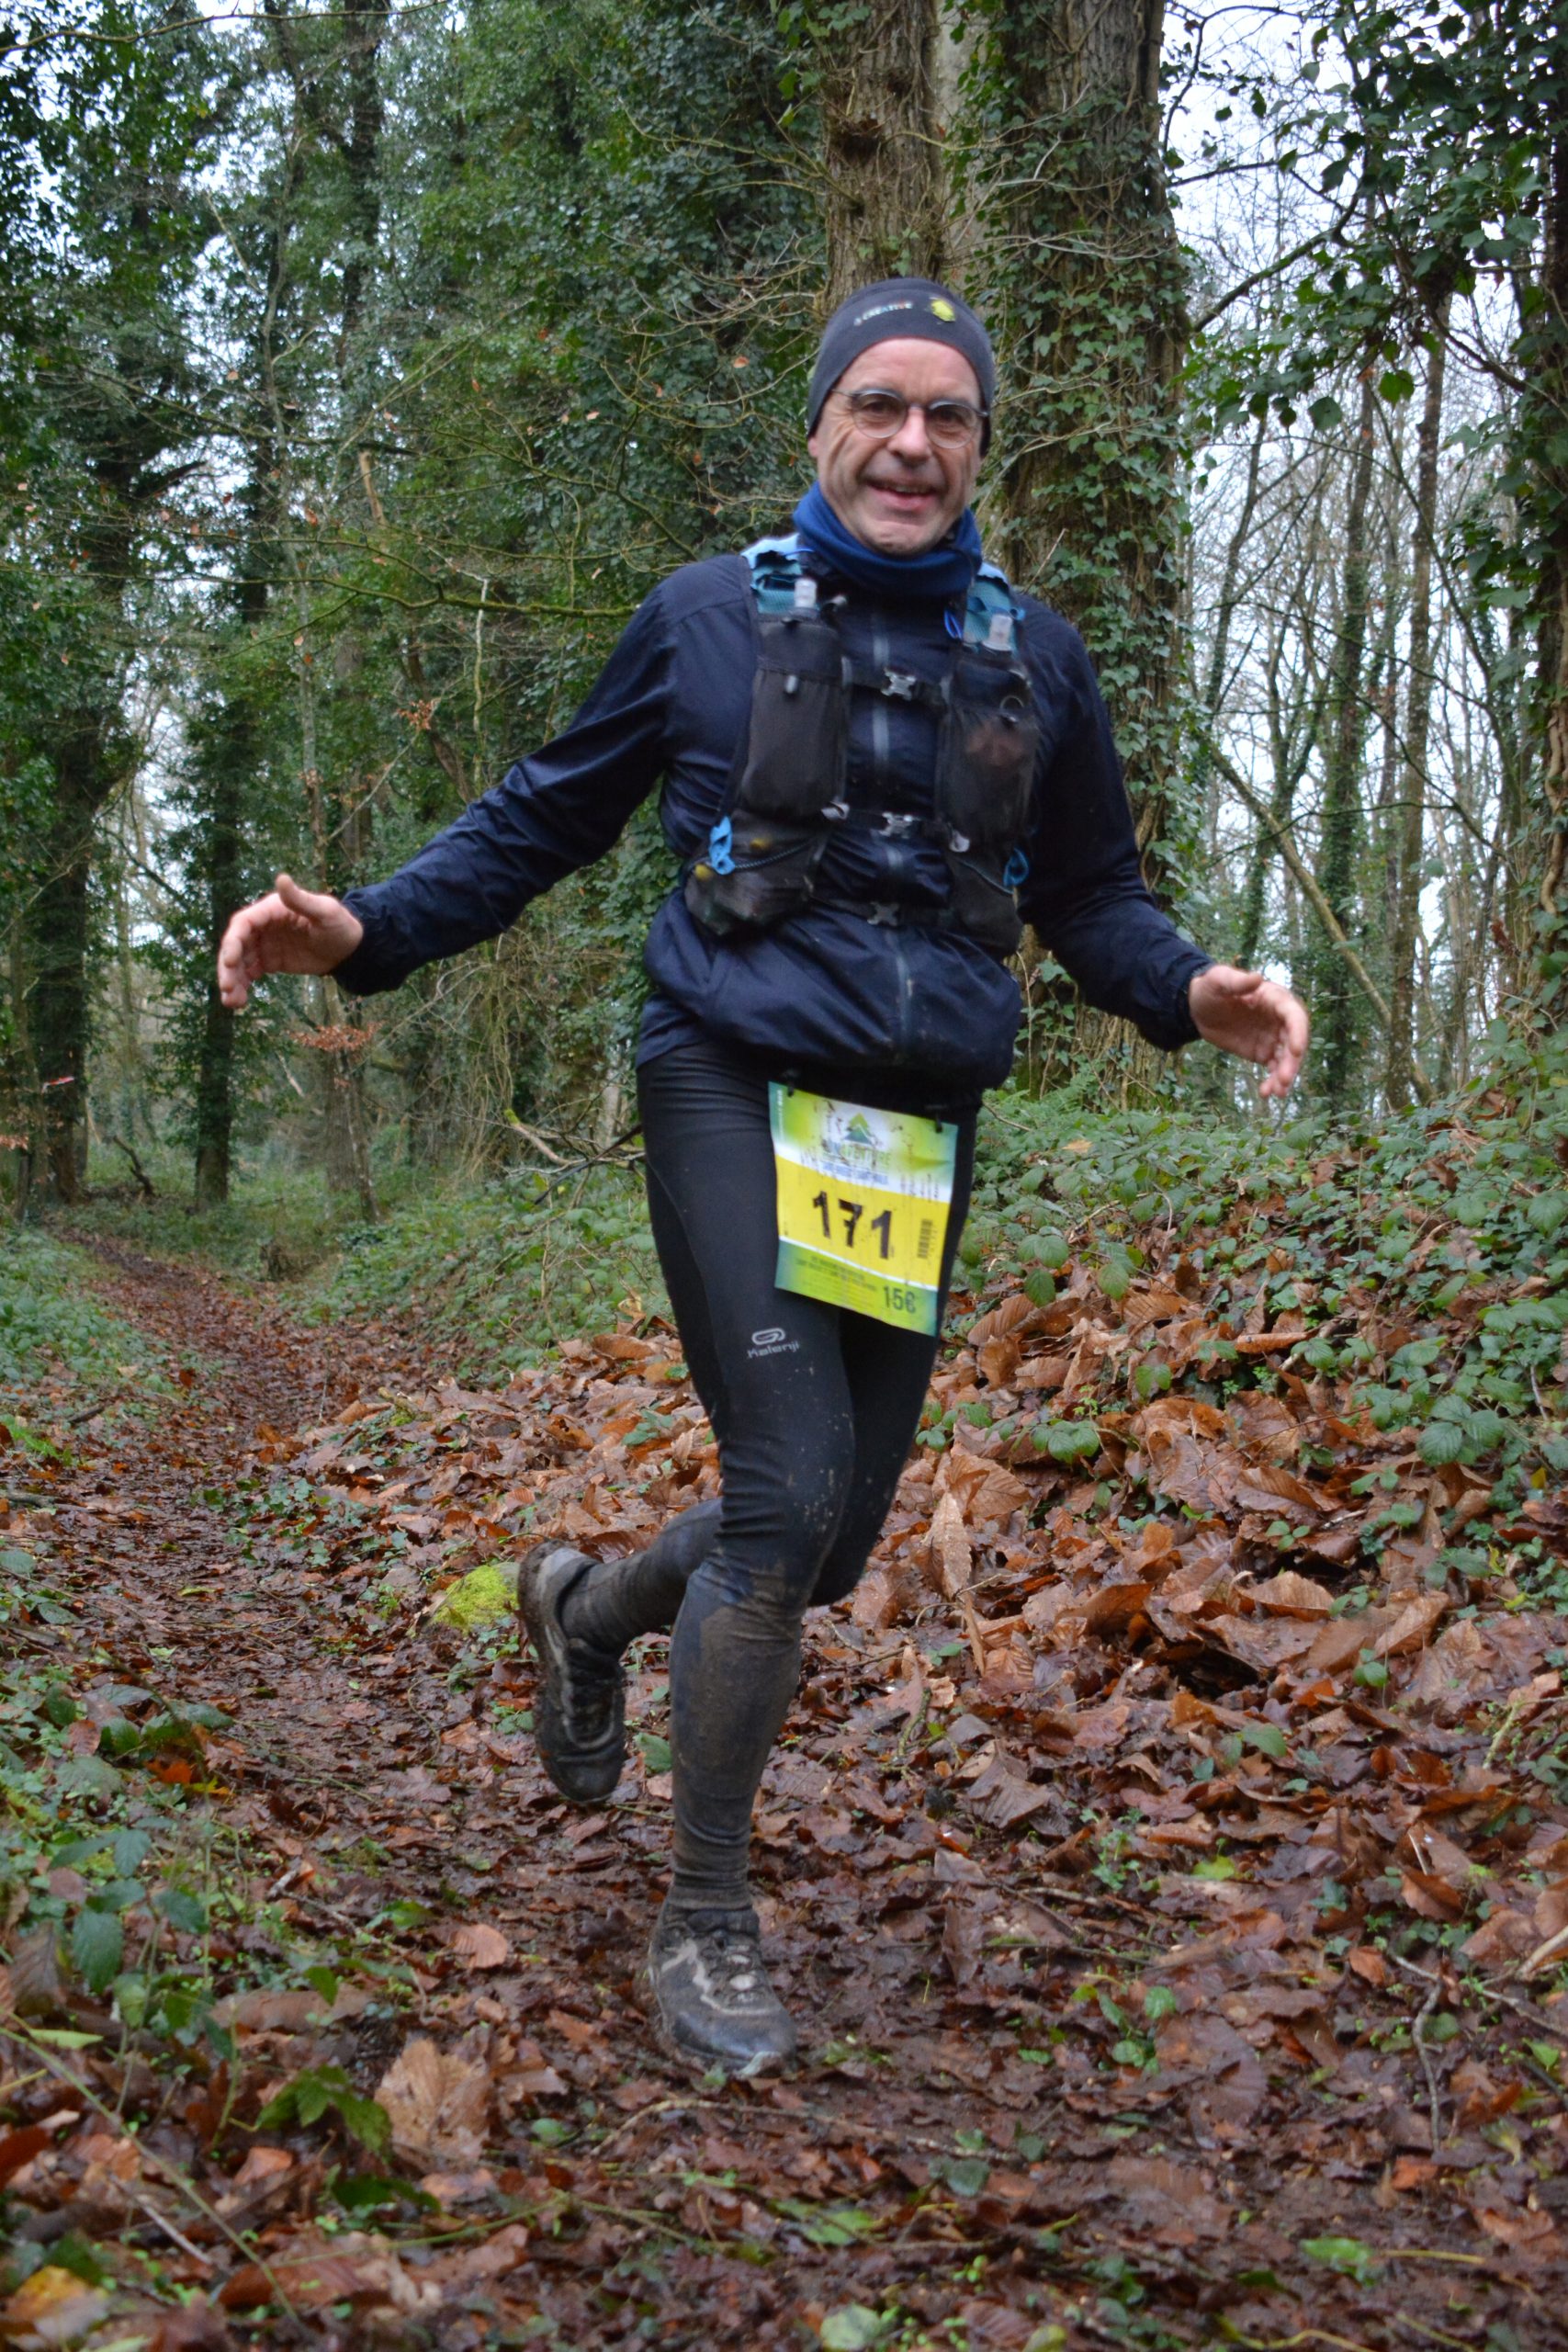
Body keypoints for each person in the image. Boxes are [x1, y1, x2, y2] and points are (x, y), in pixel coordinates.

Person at [218, 278, 1308, 2074]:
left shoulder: (1036, 658)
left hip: (907, 1121)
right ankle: (707, 1910)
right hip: (728, 1068)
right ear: (819, 425)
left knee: (828, 1539)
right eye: (878, 404)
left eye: (947, 415)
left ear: (979, 446)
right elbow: (543, 814)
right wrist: (365, 930)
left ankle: (582, 1610)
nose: (911, 442)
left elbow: (1091, 891)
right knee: (784, 1486)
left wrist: (1188, 991)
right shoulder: (705, 618)